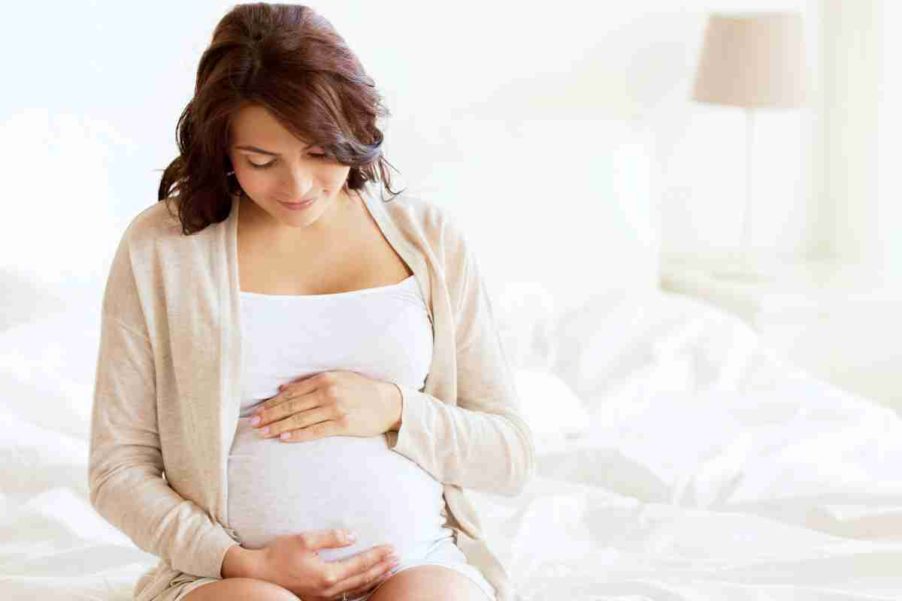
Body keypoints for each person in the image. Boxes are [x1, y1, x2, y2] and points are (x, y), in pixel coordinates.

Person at [87, 3, 535, 601]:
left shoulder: (428, 239)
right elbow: (117, 471)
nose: (297, 187)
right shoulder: (163, 248)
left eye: (321, 153)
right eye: (261, 161)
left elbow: (509, 454)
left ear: (354, 130)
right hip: (227, 578)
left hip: (417, 564)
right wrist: (240, 564)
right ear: (221, 149)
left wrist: (394, 408)